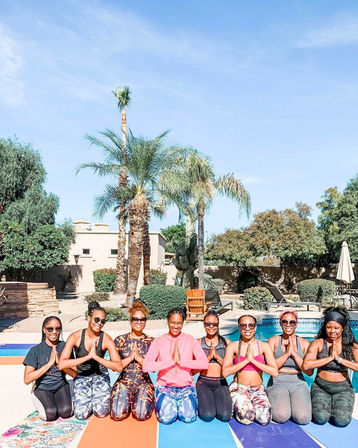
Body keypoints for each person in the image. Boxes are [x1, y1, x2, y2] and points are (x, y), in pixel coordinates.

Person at [142, 307, 209, 424]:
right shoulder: (158, 341)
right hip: (165, 387)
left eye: (179, 323)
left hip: (186, 387)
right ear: (168, 321)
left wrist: (182, 362)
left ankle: (180, 404)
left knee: (189, 418)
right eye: (173, 322)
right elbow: (146, 366)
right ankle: (170, 403)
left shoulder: (190, 340)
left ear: (183, 323)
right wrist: (170, 362)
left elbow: (204, 363)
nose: (175, 326)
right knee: (166, 419)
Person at [59, 301, 122, 420]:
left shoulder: (106, 339)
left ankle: (96, 396)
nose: (99, 323)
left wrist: (96, 357)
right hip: (82, 376)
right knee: (81, 415)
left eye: (103, 321)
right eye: (96, 319)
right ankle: (79, 391)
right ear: (89, 318)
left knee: (101, 412)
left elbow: (118, 367)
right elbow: (62, 364)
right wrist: (87, 357)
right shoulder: (75, 337)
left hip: (100, 376)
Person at [302, 306, 358, 427]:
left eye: (336, 327)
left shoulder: (350, 345)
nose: (332, 331)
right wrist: (329, 358)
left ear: (342, 328)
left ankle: (337, 405)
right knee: (320, 418)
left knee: (341, 421)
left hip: (343, 388)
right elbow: (306, 365)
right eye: (329, 327)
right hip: (321, 386)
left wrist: (339, 359)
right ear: (325, 327)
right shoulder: (318, 343)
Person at [222, 314, 278, 425]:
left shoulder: (263, 346)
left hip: (257, 389)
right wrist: (246, 360)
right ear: (239, 328)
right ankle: (237, 401)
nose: (247, 328)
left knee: (264, 419)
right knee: (247, 418)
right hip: (239, 388)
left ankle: (244, 404)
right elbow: (225, 372)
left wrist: (254, 361)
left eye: (251, 325)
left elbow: (274, 372)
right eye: (243, 326)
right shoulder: (233, 346)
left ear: (255, 327)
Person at [23, 316, 76, 421]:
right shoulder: (35, 350)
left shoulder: (65, 347)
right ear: (44, 330)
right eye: (50, 329)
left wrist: (61, 365)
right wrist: (49, 364)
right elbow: (27, 379)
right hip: (42, 388)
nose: (54, 332)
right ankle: (38, 397)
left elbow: (75, 374)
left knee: (66, 412)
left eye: (58, 328)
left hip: (61, 385)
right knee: (50, 414)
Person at [110, 301, 154, 421]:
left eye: (142, 319)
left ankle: (137, 400)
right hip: (123, 383)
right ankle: (128, 400)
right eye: (135, 319)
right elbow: (114, 367)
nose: (139, 322)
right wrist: (130, 358)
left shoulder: (151, 341)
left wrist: (139, 359)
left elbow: (154, 368)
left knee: (141, 415)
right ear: (130, 321)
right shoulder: (120, 340)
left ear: (145, 321)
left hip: (143, 383)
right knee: (117, 415)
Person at [267, 310, 312, 425]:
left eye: (292, 322)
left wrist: (295, 354)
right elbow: (270, 368)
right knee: (281, 416)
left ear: (296, 324)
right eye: (285, 322)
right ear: (280, 323)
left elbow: (309, 372)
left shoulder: (304, 343)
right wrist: (286, 354)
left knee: (303, 418)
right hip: (277, 381)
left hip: (298, 382)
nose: (288, 324)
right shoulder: (273, 341)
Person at [195, 310, 232, 422]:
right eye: (208, 324)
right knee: (207, 416)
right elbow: (192, 370)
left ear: (218, 325)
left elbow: (231, 368)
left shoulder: (226, 342)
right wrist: (208, 359)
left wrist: (217, 357)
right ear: (204, 325)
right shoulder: (198, 343)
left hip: (221, 383)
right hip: (204, 382)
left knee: (225, 416)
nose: (211, 326)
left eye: (214, 324)